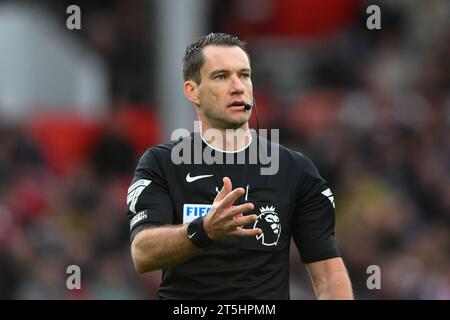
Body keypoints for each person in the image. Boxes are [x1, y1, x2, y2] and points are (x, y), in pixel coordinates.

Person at [126, 33, 353, 299]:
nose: (238, 86)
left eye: (244, 75)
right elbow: (142, 253)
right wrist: (204, 229)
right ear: (192, 91)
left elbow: (327, 272)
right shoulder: (162, 163)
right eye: (221, 76)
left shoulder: (295, 170)